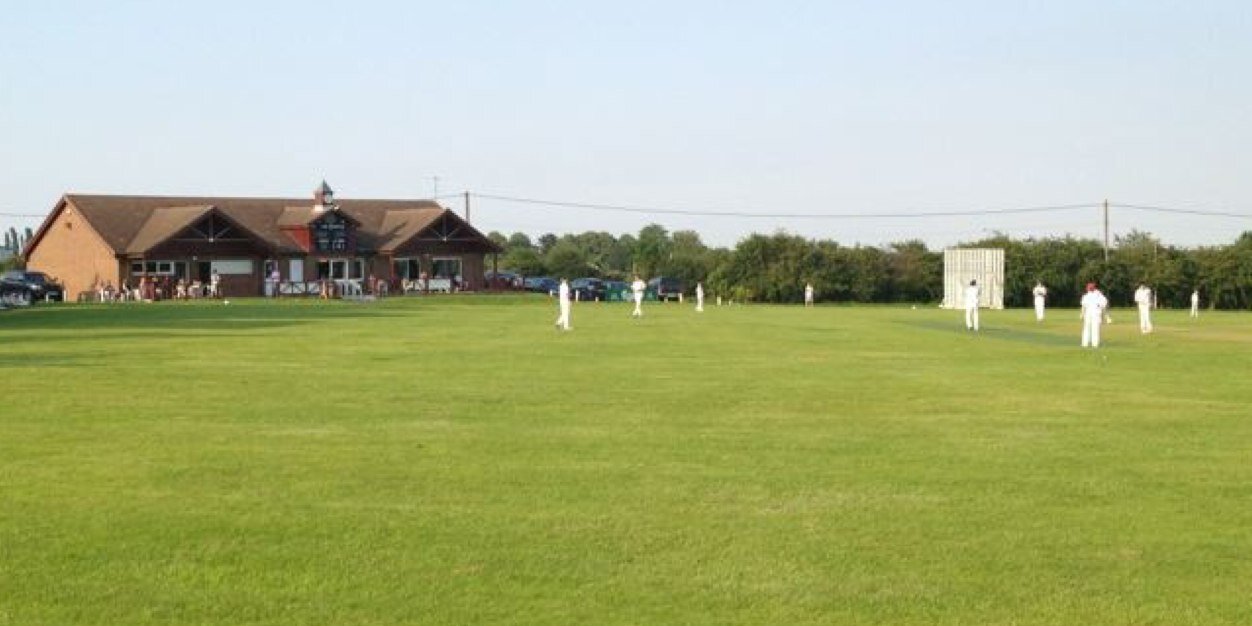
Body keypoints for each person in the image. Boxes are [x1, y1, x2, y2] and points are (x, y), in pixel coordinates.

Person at [1080, 282, 1109, 348]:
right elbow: (1084, 306)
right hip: (1092, 314)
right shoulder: (1089, 295)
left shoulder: (1098, 295)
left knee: (1090, 329)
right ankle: (1092, 344)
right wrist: (1082, 314)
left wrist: (1082, 314)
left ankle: (1087, 343)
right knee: (1092, 329)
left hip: (1094, 314)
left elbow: (1103, 306)